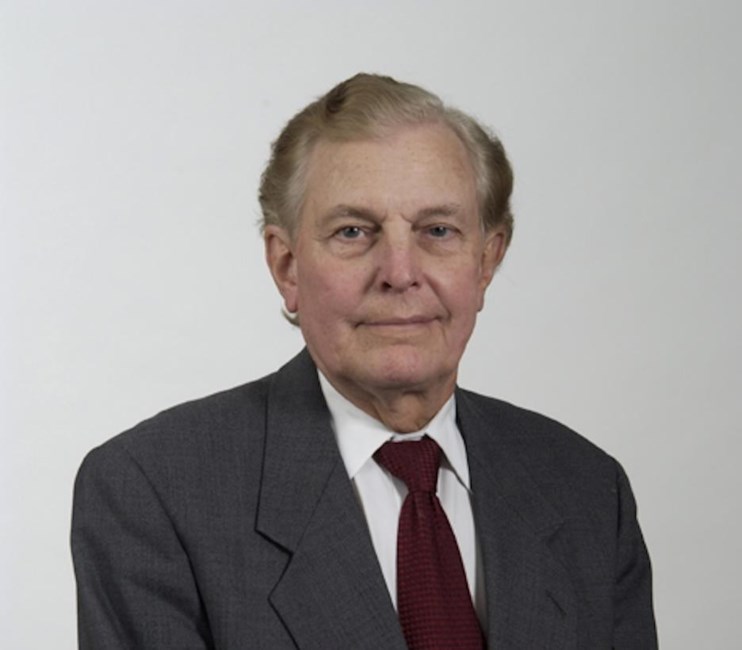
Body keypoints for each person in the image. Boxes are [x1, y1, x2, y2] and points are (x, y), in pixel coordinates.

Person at [71, 73, 657, 649]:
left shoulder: (586, 490)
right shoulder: (154, 492)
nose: (400, 273)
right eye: (353, 231)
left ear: (486, 261)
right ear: (287, 267)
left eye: (438, 230)